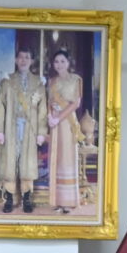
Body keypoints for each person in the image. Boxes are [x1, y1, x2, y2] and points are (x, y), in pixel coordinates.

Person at [0, 42, 44, 213]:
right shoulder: (7, 82)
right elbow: (0, 105)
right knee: (9, 162)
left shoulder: (38, 83)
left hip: (29, 129)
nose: (23, 60)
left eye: (27, 57)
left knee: (27, 163)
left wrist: (41, 132)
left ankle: (27, 198)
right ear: (16, 60)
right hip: (11, 127)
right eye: (20, 57)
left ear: (32, 60)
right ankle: (9, 198)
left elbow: (42, 109)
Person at [44, 45, 88, 213]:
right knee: (56, 159)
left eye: (62, 61)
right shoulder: (52, 81)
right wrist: (50, 116)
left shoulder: (76, 80)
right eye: (56, 61)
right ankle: (58, 201)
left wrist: (58, 117)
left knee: (67, 158)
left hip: (67, 122)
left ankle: (68, 202)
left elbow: (76, 103)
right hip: (55, 125)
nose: (59, 64)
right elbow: (49, 102)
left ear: (68, 63)